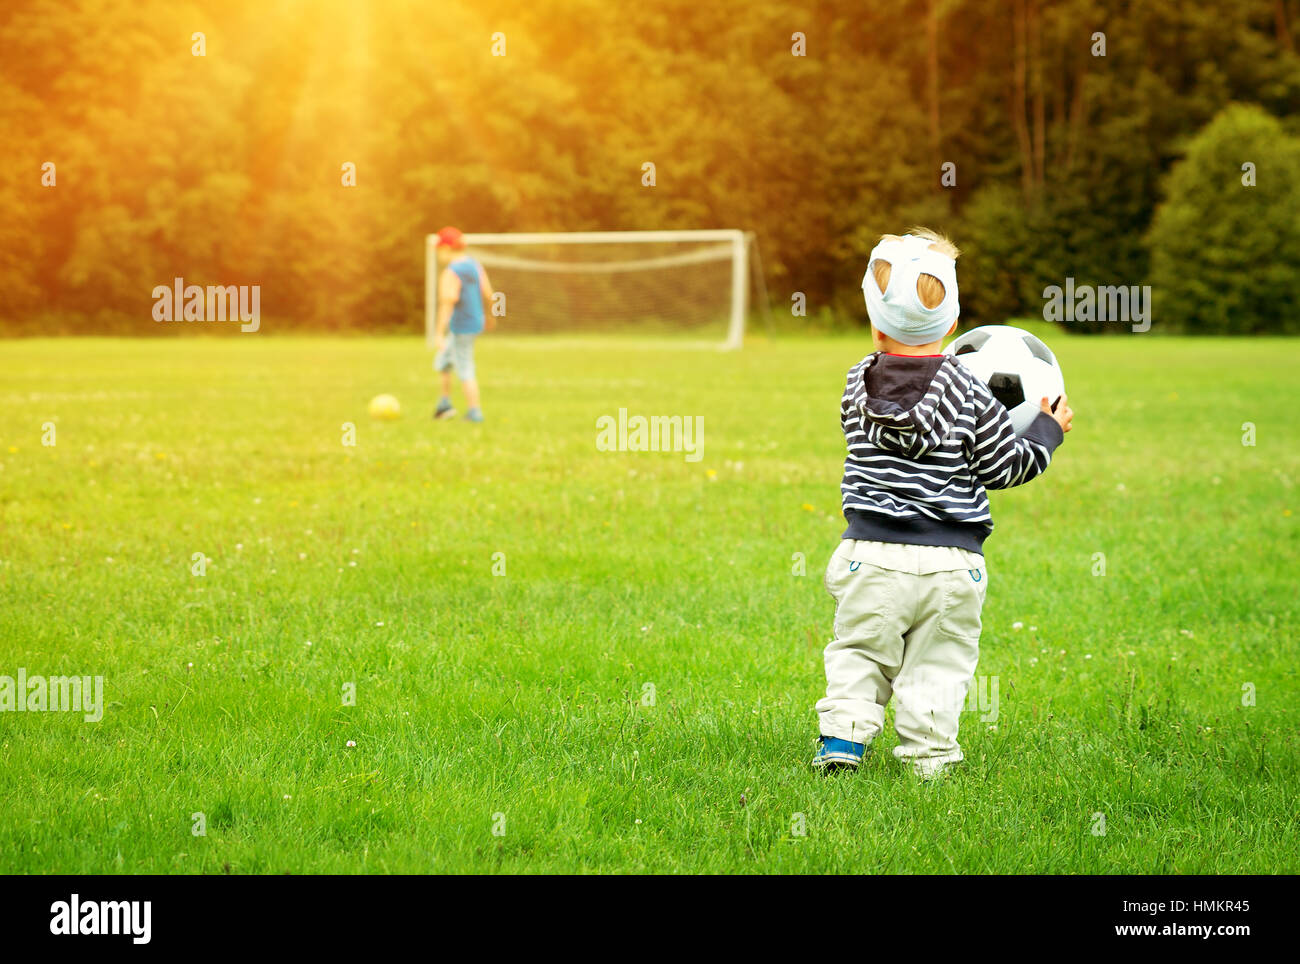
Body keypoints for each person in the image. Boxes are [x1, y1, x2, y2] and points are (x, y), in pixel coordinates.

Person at [812, 228, 1075, 778]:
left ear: (875, 324)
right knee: (938, 664)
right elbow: (1002, 467)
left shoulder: (854, 384)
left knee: (859, 651)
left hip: (868, 555)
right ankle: (929, 761)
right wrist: (1047, 431)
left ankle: (842, 743)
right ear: (954, 326)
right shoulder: (972, 390)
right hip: (950, 564)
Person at [432, 226, 495, 422]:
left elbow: (447, 302)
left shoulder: (451, 272)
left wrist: (438, 333)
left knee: (465, 366)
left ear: (446, 249)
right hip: (475, 323)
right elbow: (489, 294)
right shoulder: (475, 266)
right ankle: (444, 405)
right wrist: (490, 316)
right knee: (444, 361)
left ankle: (475, 412)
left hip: (461, 327)